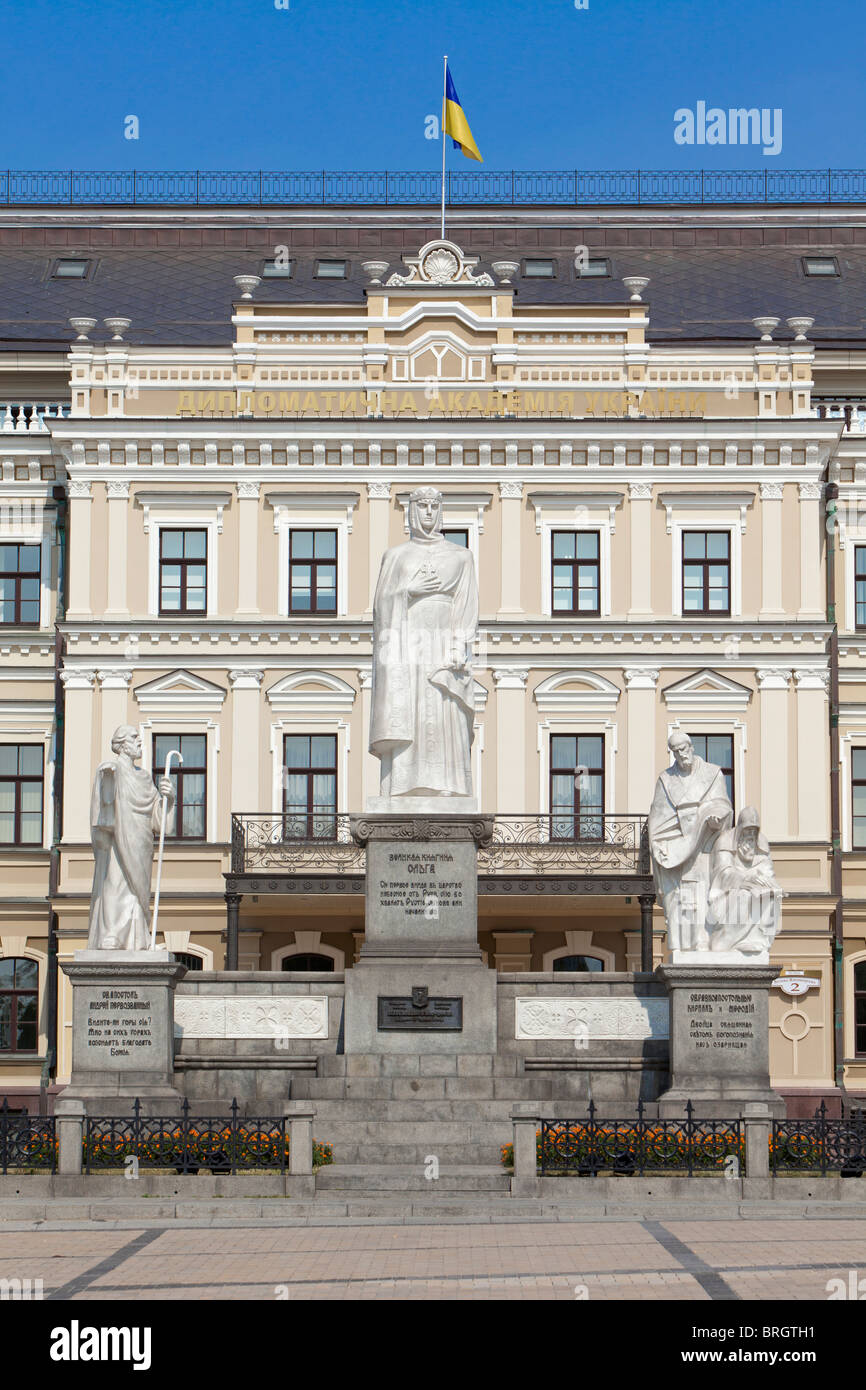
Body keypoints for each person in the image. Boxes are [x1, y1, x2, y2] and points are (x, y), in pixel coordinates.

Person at [369, 486, 477, 802]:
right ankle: (403, 784)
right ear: (412, 511)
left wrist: (459, 645)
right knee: (409, 707)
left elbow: (467, 604)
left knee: (445, 707)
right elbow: (380, 607)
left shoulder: (461, 556)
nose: (428, 513)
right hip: (406, 643)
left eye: (433, 506)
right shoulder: (396, 556)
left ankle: (449, 784)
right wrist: (407, 590)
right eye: (422, 506)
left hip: (443, 640)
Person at [88, 725, 175, 950]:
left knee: (138, 892)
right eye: (134, 737)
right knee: (115, 883)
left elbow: (159, 821)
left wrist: (168, 799)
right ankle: (112, 934)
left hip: (141, 840)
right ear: (121, 744)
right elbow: (102, 809)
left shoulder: (145, 778)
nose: (139, 742)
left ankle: (139, 939)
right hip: (118, 838)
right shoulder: (110, 769)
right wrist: (108, 779)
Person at [648, 730, 733, 952]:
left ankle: (703, 940)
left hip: (705, 845)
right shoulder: (666, 780)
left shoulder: (712, 773)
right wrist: (664, 846)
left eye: (683, 749)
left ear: (691, 747)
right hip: (678, 848)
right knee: (681, 899)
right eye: (675, 752)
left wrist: (715, 818)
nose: (680, 755)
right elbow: (658, 817)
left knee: (703, 895)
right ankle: (683, 944)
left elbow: (723, 805)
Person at [706, 806, 781, 954]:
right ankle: (726, 941)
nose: (750, 836)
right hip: (725, 894)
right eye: (747, 831)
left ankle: (758, 939)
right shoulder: (725, 842)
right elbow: (723, 872)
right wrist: (746, 879)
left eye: (754, 832)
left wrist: (766, 883)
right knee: (744, 896)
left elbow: (767, 871)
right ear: (740, 830)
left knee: (772, 895)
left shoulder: (762, 844)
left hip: (753, 889)